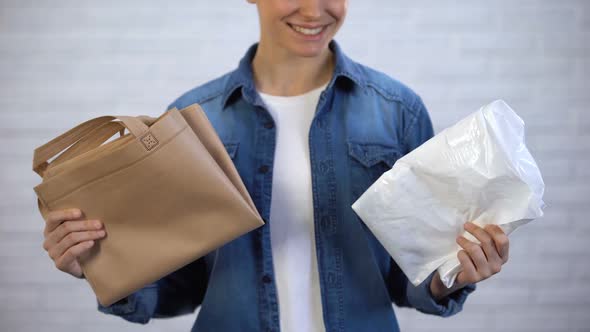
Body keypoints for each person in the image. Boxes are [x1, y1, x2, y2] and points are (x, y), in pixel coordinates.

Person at [41, 1, 511, 331]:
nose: (314, 10)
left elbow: (409, 279)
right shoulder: (190, 120)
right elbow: (180, 287)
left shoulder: (398, 112)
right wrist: (99, 267)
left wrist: (454, 274)